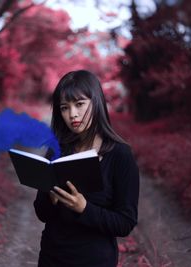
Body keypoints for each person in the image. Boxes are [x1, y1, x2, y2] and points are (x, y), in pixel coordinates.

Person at [34, 70, 140, 267]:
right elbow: (42, 214)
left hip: (95, 260)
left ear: (96, 102)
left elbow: (125, 223)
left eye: (80, 104)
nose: (72, 114)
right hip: (51, 257)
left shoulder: (120, 155)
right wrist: (51, 198)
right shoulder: (57, 150)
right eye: (64, 108)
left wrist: (84, 208)